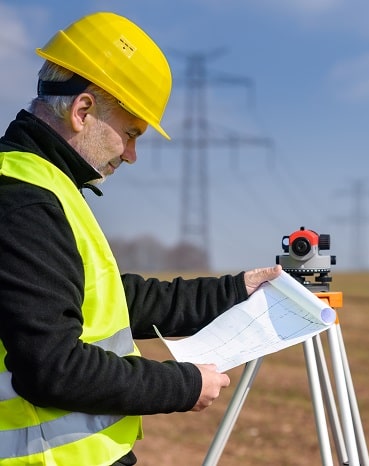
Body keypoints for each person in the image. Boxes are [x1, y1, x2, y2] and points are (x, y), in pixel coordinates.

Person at [0, 12, 281, 466]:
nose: (131, 156)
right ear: (83, 110)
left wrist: (235, 290)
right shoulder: (25, 202)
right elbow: (52, 368)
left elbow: (110, 298)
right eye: (131, 134)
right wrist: (183, 385)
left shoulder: (41, 185)